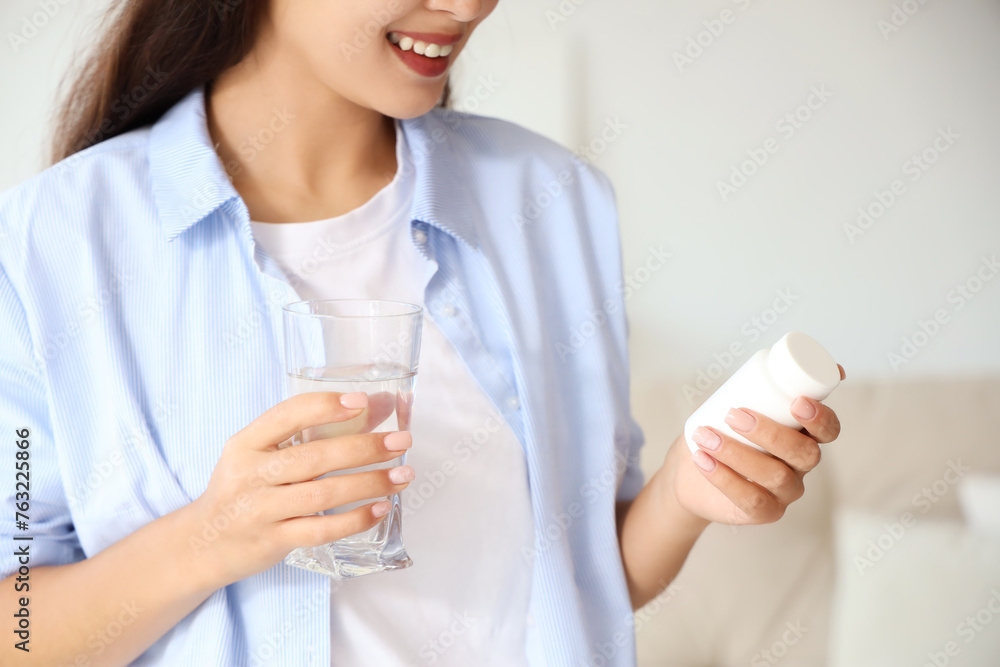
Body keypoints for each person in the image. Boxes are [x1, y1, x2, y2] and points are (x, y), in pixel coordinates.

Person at [0, 0, 844, 665]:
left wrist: (686, 497)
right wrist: (210, 539)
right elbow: (18, 628)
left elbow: (576, 588)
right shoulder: (52, 246)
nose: (470, 5)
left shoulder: (549, 202)